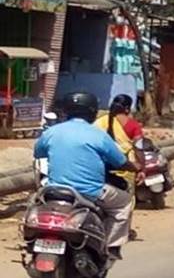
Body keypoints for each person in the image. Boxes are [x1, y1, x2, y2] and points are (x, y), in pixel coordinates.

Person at [33, 92, 142, 259]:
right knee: (125, 203)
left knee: (33, 204)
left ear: (67, 111)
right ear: (92, 112)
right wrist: (135, 167)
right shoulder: (99, 135)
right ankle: (111, 247)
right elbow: (120, 162)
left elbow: (39, 153)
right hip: (90, 192)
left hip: (54, 190)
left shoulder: (52, 132)